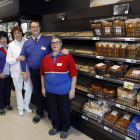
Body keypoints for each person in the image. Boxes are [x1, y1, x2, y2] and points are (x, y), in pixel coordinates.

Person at [20, 20, 69, 124]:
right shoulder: (27, 43)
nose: (35, 28)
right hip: (34, 72)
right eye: (33, 27)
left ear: (40, 28)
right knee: (38, 92)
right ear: (30, 29)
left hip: (48, 72)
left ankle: (52, 114)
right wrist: (23, 72)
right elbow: (23, 57)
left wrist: (64, 50)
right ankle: (39, 112)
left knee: (50, 93)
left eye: (37, 26)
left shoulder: (47, 40)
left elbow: (56, 46)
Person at [40, 35, 78, 139]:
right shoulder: (46, 58)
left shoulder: (67, 56)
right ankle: (55, 126)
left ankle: (65, 128)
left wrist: (72, 89)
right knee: (53, 110)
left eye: (57, 42)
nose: (55, 44)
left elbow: (73, 75)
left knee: (64, 110)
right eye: (53, 43)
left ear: (61, 44)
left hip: (64, 91)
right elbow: (42, 74)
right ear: (51, 45)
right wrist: (43, 87)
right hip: (50, 90)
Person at [6, 26, 33, 116]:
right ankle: (20, 107)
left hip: (27, 70)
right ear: (13, 35)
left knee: (29, 88)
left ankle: (26, 105)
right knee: (18, 89)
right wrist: (18, 58)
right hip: (16, 71)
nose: (17, 35)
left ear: (22, 32)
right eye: (15, 33)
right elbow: (8, 60)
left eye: (18, 32)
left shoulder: (27, 42)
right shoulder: (11, 45)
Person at [0, 31, 13, 116]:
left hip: (10, 73)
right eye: (1, 38)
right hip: (1, 73)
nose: (3, 40)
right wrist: (0, 72)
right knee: (1, 90)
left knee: (8, 89)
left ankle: (7, 104)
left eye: (4, 37)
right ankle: (1, 107)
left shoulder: (10, 47)